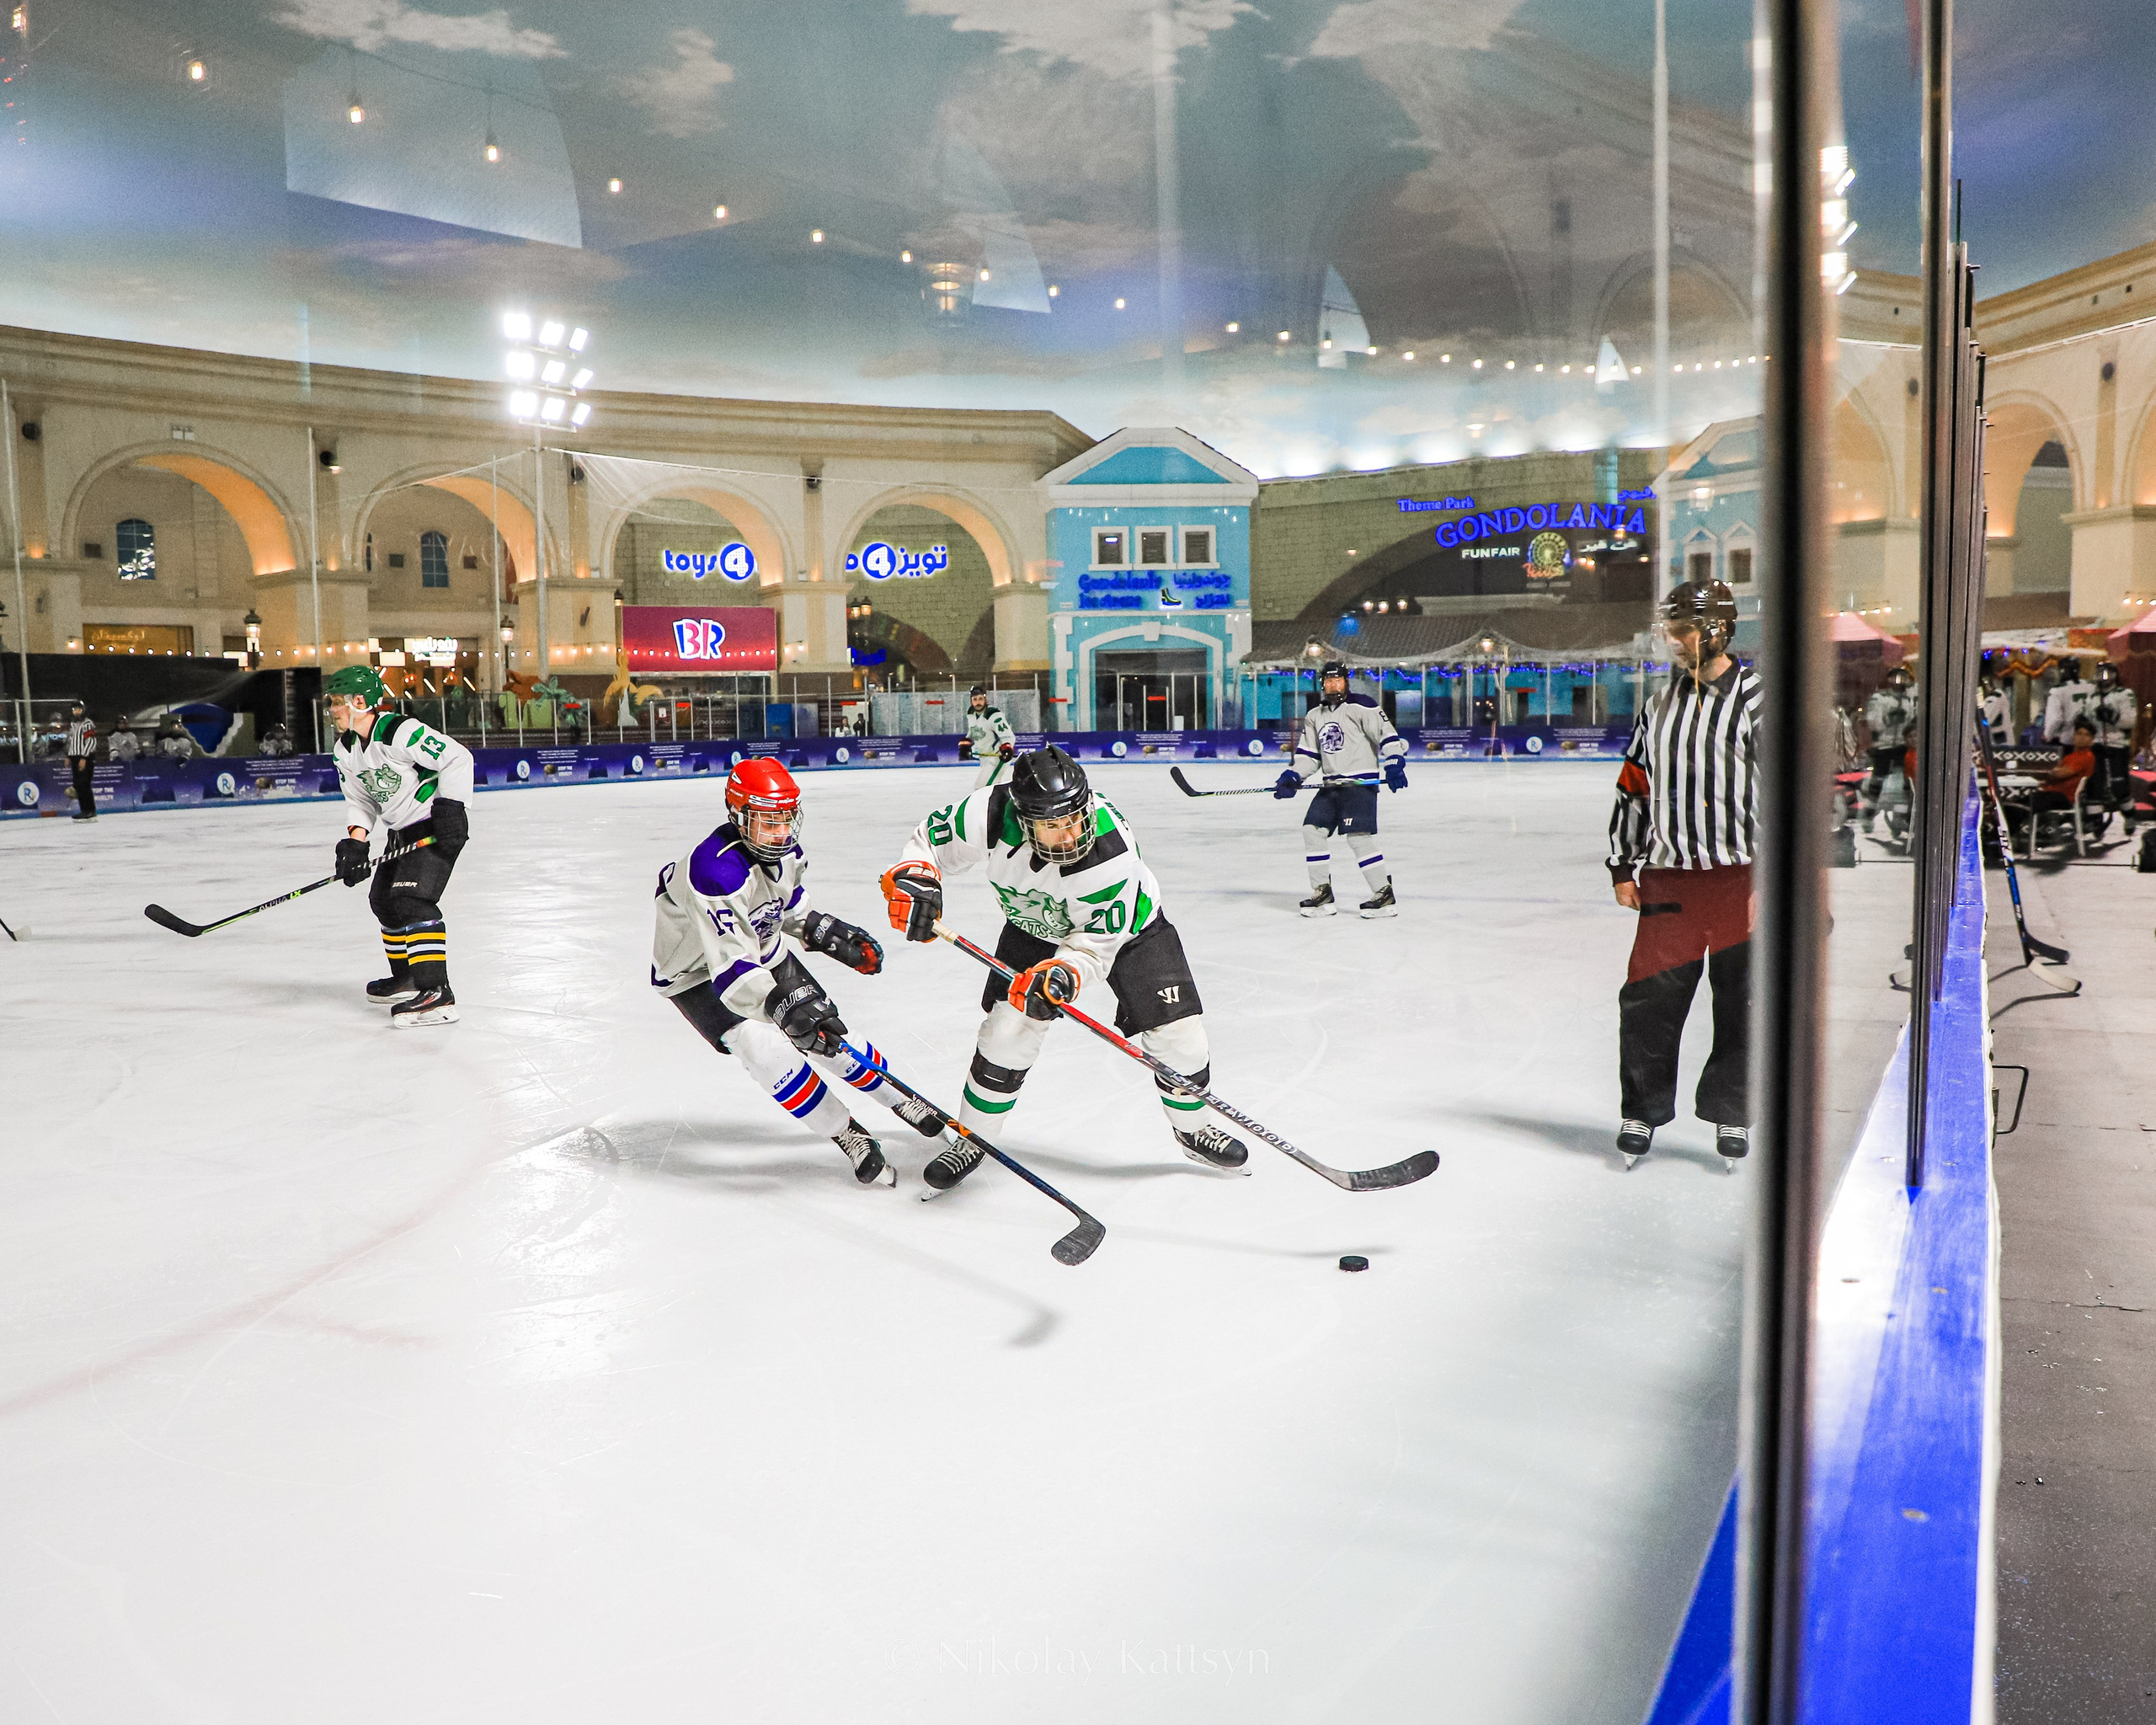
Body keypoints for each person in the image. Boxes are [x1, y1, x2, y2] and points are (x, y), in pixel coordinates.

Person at [879, 743, 1247, 1188]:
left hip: (1129, 931)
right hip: (1034, 926)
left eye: (1074, 819)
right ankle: (974, 1138)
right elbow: (928, 844)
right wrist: (916, 880)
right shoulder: (989, 813)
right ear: (1024, 820)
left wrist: (1062, 975)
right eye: (1053, 826)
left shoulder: (1111, 855)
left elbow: (1094, 948)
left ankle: (1193, 1129)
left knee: (1180, 1037)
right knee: (1007, 1032)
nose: (1069, 835)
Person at [652, 758, 944, 1187]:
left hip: (761, 948)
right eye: (769, 821)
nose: (782, 831)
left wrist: (821, 930)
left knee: (830, 1033)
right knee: (767, 1053)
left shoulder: (786, 852)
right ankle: (846, 1132)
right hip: (697, 973)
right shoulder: (715, 872)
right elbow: (730, 965)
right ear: (739, 816)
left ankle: (899, 1097)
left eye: (786, 818)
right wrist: (781, 1007)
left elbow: (781, 907)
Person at [1608, 581, 1760, 1167]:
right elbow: (1634, 785)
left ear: (1717, 629)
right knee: (1648, 1000)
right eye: (1670, 630)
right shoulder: (1658, 706)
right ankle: (1642, 1111)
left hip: (1740, 882)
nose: (1674, 641)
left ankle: (1731, 1109)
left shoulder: (1759, 701)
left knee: (1744, 1002)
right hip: (1669, 880)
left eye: (1683, 630)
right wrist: (1624, 862)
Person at [326, 665, 472, 1027]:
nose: (331, 709)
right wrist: (356, 844)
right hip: (400, 831)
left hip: (433, 826)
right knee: (383, 901)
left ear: (360, 702)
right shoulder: (345, 750)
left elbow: (457, 757)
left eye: (336, 701)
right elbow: (360, 800)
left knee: (411, 900)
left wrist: (451, 809)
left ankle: (437, 993)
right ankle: (408, 978)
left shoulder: (398, 731)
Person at [1273, 660, 1407, 917]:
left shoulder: (1363, 706)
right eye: (1329, 681)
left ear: (1346, 682)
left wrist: (1393, 763)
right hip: (1331, 785)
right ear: (1322, 684)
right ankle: (1322, 892)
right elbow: (1309, 756)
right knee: (1312, 830)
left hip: (1359, 785)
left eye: (1338, 680)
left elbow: (1388, 736)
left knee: (1357, 837)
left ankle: (1383, 893)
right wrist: (1293, 775)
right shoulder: (1315, 716)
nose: (1333, 686)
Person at [2005, 717, 2097, 850]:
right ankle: (2009, 838)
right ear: (2074, 736)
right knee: (2014, 803)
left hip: (2062, 797)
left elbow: (2060, 774)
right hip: (2053, 794)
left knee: (2019, 807)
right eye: (2079, 734)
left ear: (2092, 740)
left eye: (2086, 735)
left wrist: (2048, 773)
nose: (2081, 738)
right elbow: (2055, 773)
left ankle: (2008, 840)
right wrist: (2050, 774)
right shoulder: (2071, 756)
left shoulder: (2086, 757)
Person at [1859, 664, 1916, 832]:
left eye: (1903, 677)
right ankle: (1868, 816)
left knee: (1906, 783)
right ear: (1890, 679)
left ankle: (1904, 817)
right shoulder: (1880, 698)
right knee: (1877, 783)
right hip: (1883, 746)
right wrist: (1888, 720)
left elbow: (1911, 721)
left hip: (1901, 746)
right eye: (1896, 677)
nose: (1900, 681)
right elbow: (1873, 722)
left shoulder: (1908, 699)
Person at [958, 684, 1017, 790]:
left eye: (980, 699)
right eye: (975, 699)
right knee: (990, 789)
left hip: (997, 758)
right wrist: (966, 744)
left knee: (982, 788)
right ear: (971, 701)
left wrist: (1007, 748)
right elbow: (974, 732)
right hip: (985, 758)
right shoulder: (971, 714)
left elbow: (1008, 736)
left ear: (985, 699)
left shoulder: (993, 715)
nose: (978, 702)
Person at [61, 698, 98, 820]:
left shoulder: (88, 724)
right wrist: (69, 756)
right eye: (74, 710)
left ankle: (90, 810)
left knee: (84, 784)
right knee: (78, 785)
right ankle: (84, 810)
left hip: (85, 757)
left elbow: (91, 741)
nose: (77, 712)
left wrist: (84, 757)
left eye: (79, 709)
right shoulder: (73, 726)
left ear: (83, 710)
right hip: (75, 757)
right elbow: (71, 743)